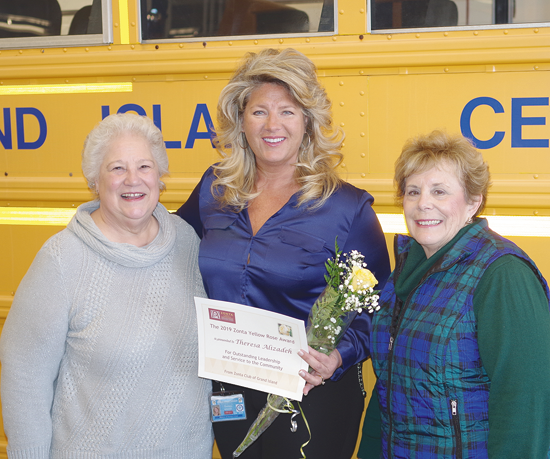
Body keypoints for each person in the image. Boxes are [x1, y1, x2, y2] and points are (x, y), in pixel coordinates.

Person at [176, 47, 391, 459]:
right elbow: (167, 243)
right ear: (241, 120)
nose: (272, 125)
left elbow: (381, 304)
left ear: (307, 121)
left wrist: (339, 355)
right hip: (230, 390)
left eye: (287, 112)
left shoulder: (347, 208)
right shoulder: (215, 189)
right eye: (259, 112)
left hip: (311, 397)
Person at [0, 113, 214, 459]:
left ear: (159, 177)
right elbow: (23, 379)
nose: (133, 179)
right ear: (94, 181)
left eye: (144, 166)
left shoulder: (188, 243)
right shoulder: (61, 259)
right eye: (117, 168)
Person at [358, 130, 550, 459]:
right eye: (413, 191)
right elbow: (388, 385)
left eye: (439, 191)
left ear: (473, 202)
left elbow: (526, 402)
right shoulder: (403, 272)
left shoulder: (502, 274)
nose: (423, 203)